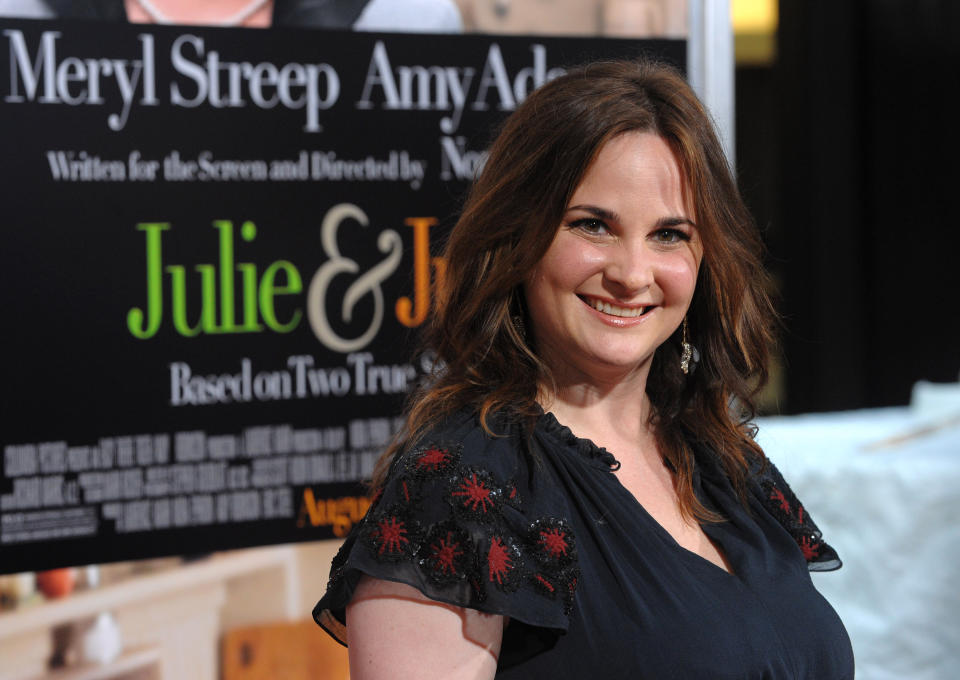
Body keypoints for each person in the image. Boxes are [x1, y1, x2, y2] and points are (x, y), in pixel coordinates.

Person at [313, 60, 855, 679]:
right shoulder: (461, 492)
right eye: (592, 226)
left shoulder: (722, 462)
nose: (631, 273)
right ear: (519, 237)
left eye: (669, 234)